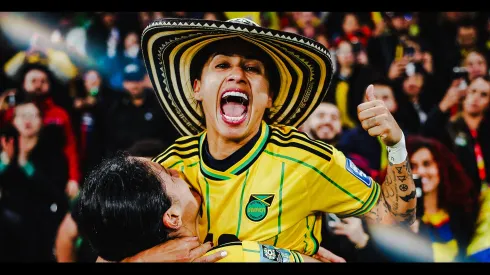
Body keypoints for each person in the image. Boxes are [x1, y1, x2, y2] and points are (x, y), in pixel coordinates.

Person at [128, 17, 416, 262]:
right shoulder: (170, 168)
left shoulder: (310, 160)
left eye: (252, 68)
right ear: (198, 87)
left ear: (270, 98)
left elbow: (397, 219)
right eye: (222, 65)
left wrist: (396, 146)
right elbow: (110, 251)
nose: (237, 75)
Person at [74, 151, 318, 263]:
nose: (180, 171)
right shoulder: (227, 257)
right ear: (172, 217)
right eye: (170, 175)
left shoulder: (124, 244)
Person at [407, 135, 478, 262]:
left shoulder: (461, 214)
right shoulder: (400, 221)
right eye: (412, 166)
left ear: (440, 167)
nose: (421, 171)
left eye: (427, 163)